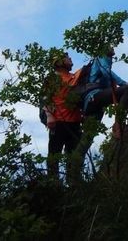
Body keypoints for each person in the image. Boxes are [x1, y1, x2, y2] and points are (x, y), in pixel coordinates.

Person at [81, 47, 128, 139]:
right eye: (108, 45)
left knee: (88, 137)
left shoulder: (102, 64)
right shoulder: (101, 57)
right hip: (94, 96)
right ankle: (118, 124)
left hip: (91, 103)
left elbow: (113, 90)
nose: (112, 47)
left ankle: (79, 153)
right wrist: (125, 84)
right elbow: (106, 72)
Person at [44, 53, 82, 182]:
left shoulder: (75, 77)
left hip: (75, 122)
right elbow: (45, 99)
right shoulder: (52, 78)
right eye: (67, 58)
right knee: (54, 155)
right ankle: (53, 185)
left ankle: (73, 184)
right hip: (58, 121)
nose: (71, 59)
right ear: (59, 62)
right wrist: (49, 115)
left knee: (73, 156)